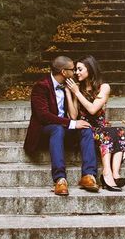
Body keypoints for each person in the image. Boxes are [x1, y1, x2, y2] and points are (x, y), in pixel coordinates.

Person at [23, 55, 100, 195]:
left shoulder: (69, 86)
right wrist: (71, 123)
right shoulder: (41, 86)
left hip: (64, 129)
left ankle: (88, 175)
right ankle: (60, 179)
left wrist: (71, 95)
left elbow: (74, 116)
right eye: (72, 69)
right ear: (64, 72)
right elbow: (43, 116)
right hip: (46, 131)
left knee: (86, 128)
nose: (75, 72)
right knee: (58, 129)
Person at [65, 55, 125, 192]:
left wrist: (77, 93)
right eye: (76, 70)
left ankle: (115, 174)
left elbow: (93, 109)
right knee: (108, 133)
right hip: (86, 130)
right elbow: (74, 116)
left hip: (100, 128)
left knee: (118, 131)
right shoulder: (78, 89)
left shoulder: (104, 87)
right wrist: (71, 94)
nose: (77, 72)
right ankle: (107, 173)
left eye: (80, 69)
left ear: (90, 69)